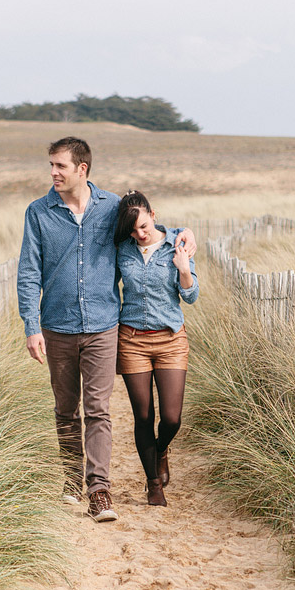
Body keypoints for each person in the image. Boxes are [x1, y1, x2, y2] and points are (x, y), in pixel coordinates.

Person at [17, 138, 196, 522]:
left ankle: (99, 490)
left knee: (98, 411)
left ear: (82, 169)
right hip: (57, 326)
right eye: (51, 165)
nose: (53, 173)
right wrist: (31, 326)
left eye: (60, 166)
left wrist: (184, 231)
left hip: (103, 327)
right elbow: (29, 272)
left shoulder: (111, 208)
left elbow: (147, 228)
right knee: (66, 410)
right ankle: (70, 479)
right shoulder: (38, 212)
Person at [114, 190, 199, 507]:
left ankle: (162, 449)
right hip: (132, 340)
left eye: (144, 226)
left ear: (154, 214)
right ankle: (153, 484)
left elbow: (190, 297)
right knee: (143, 416)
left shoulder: (178, 243)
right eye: (133, 229)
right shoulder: (122, 250)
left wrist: (185, 270)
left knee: (172, 418)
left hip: (171, 339)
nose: (139, 233)